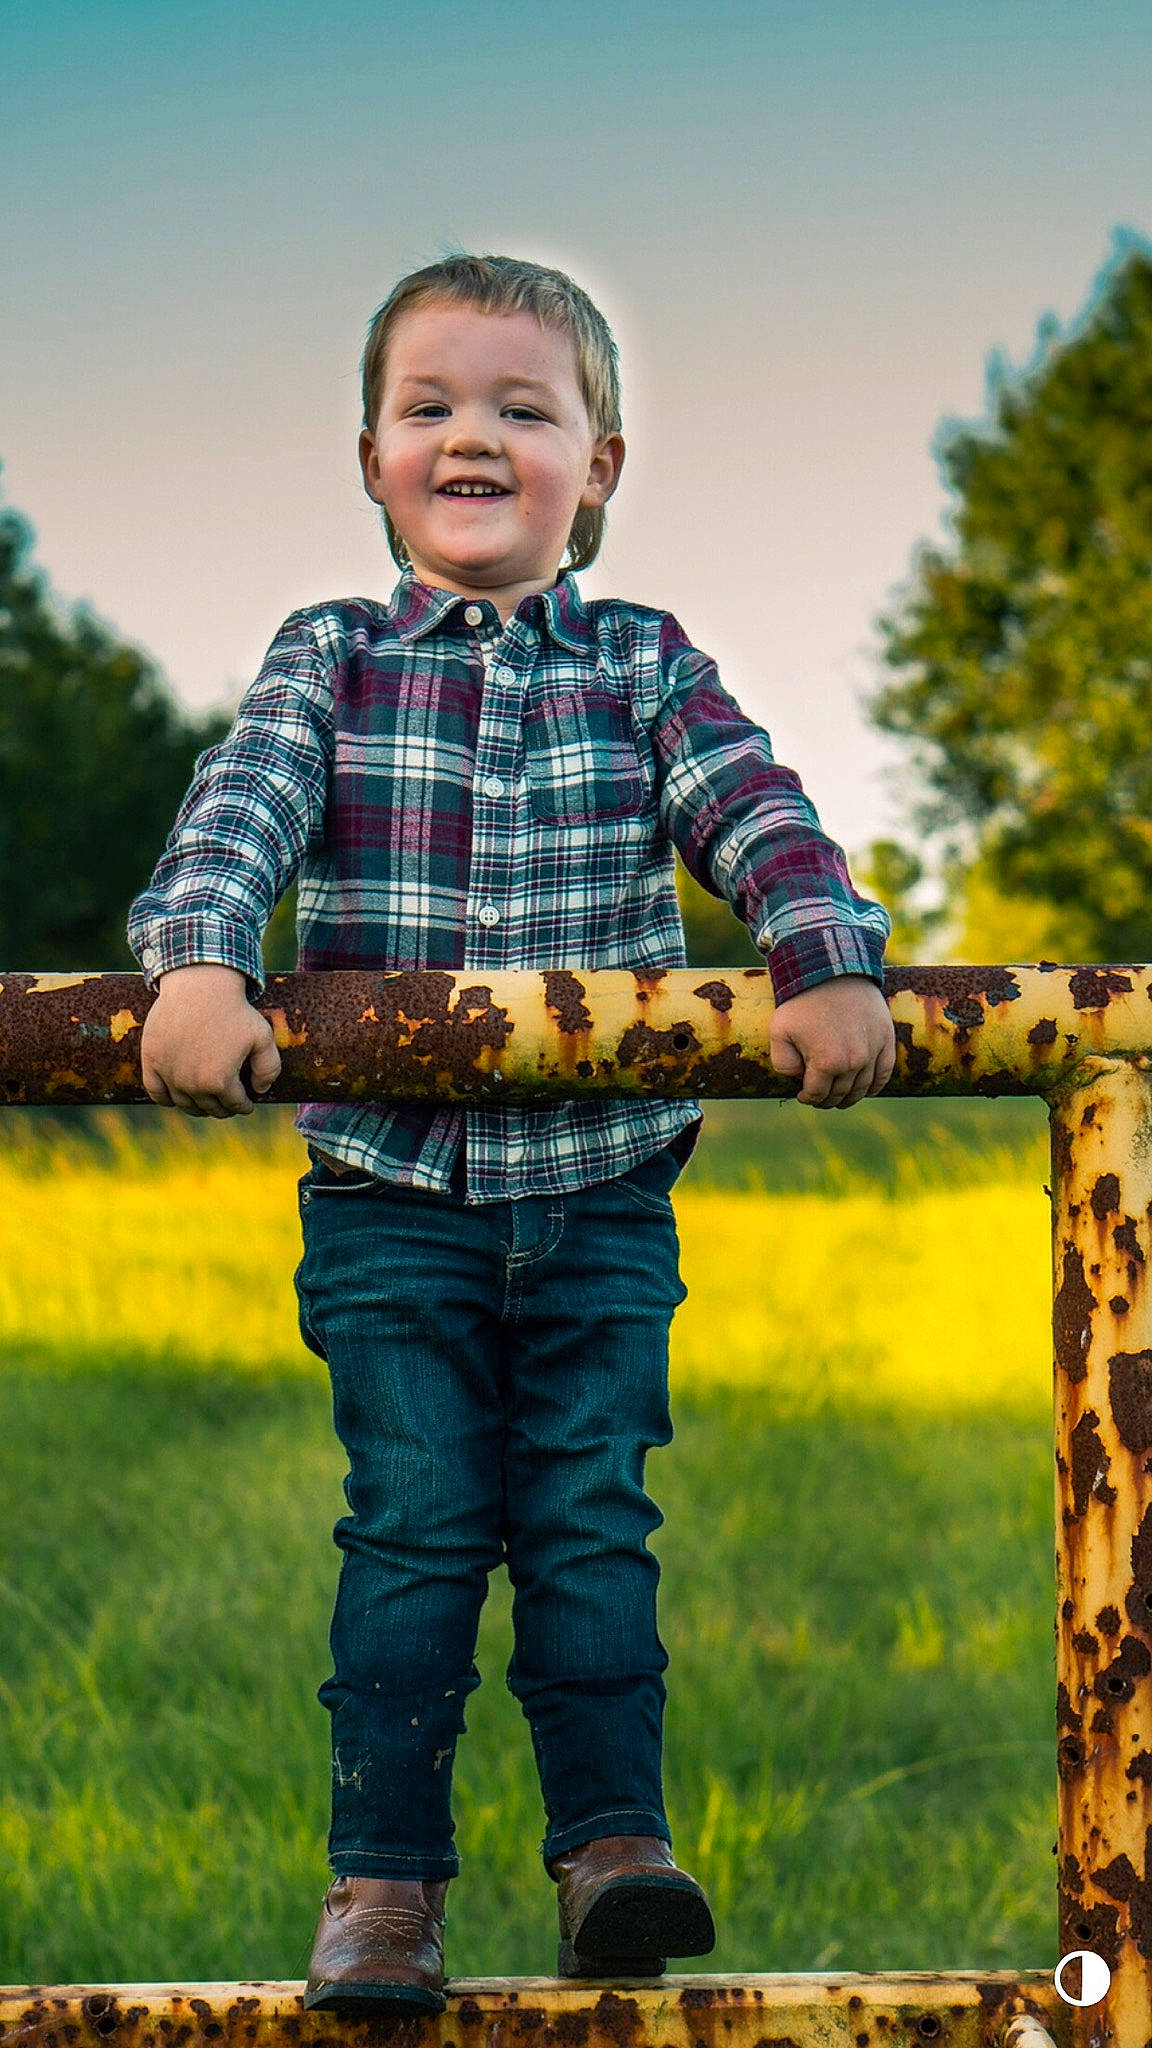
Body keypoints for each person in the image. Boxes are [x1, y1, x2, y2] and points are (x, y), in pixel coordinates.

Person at [128, 253, 895, 2014]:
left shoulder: (643, 662)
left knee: (588, 1525)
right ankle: (383, 1892)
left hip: (604, 1194)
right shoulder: (331, 655)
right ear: (373, 459)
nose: (473, 434)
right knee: (408, 1528)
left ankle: (614, 1851)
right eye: (432, 407)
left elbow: (757, 804)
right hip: (390, 1194)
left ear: (599, 466)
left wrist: (822, 954)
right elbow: (242, 808)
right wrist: (195, 963)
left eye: (521, 409)